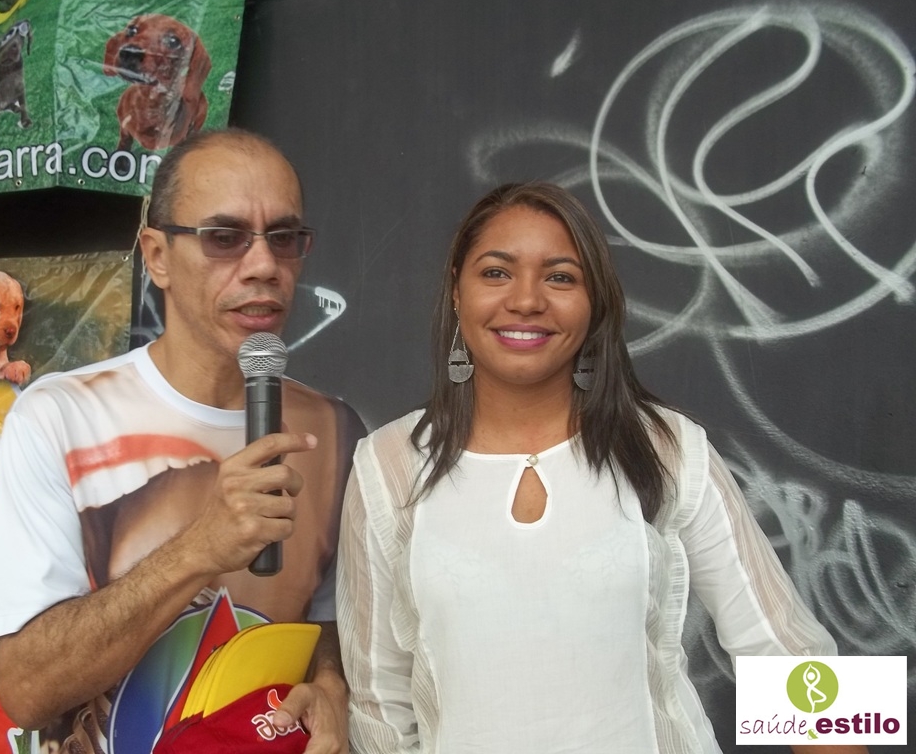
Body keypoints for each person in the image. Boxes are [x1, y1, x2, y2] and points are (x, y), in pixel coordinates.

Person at [336, 182, 867, 754]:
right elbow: (378, 708)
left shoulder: (666, 446)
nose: (526, 300)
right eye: (496, 272)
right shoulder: (387, 464)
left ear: (595, 303)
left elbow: (788, 653)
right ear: (457, 291)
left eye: (561, 277)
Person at [0, 128, 366, 754]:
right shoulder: (60, 416)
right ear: (156, 256)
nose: (264, 266)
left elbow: (330, 626)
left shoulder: (335, 431)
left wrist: (332, 686)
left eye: (284, 237)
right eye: (224, 237)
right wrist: (200, 548)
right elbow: (26, 690)